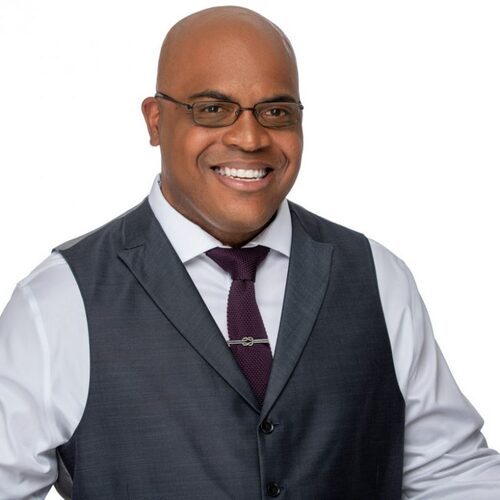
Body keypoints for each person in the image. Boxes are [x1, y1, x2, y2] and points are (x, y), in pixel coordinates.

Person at [0, 5, 499, 499]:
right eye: (212, 109)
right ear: (155, 121)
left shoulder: (377, 277)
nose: (249, 137)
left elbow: (451, 474)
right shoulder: (58, 300)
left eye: (276, 112)